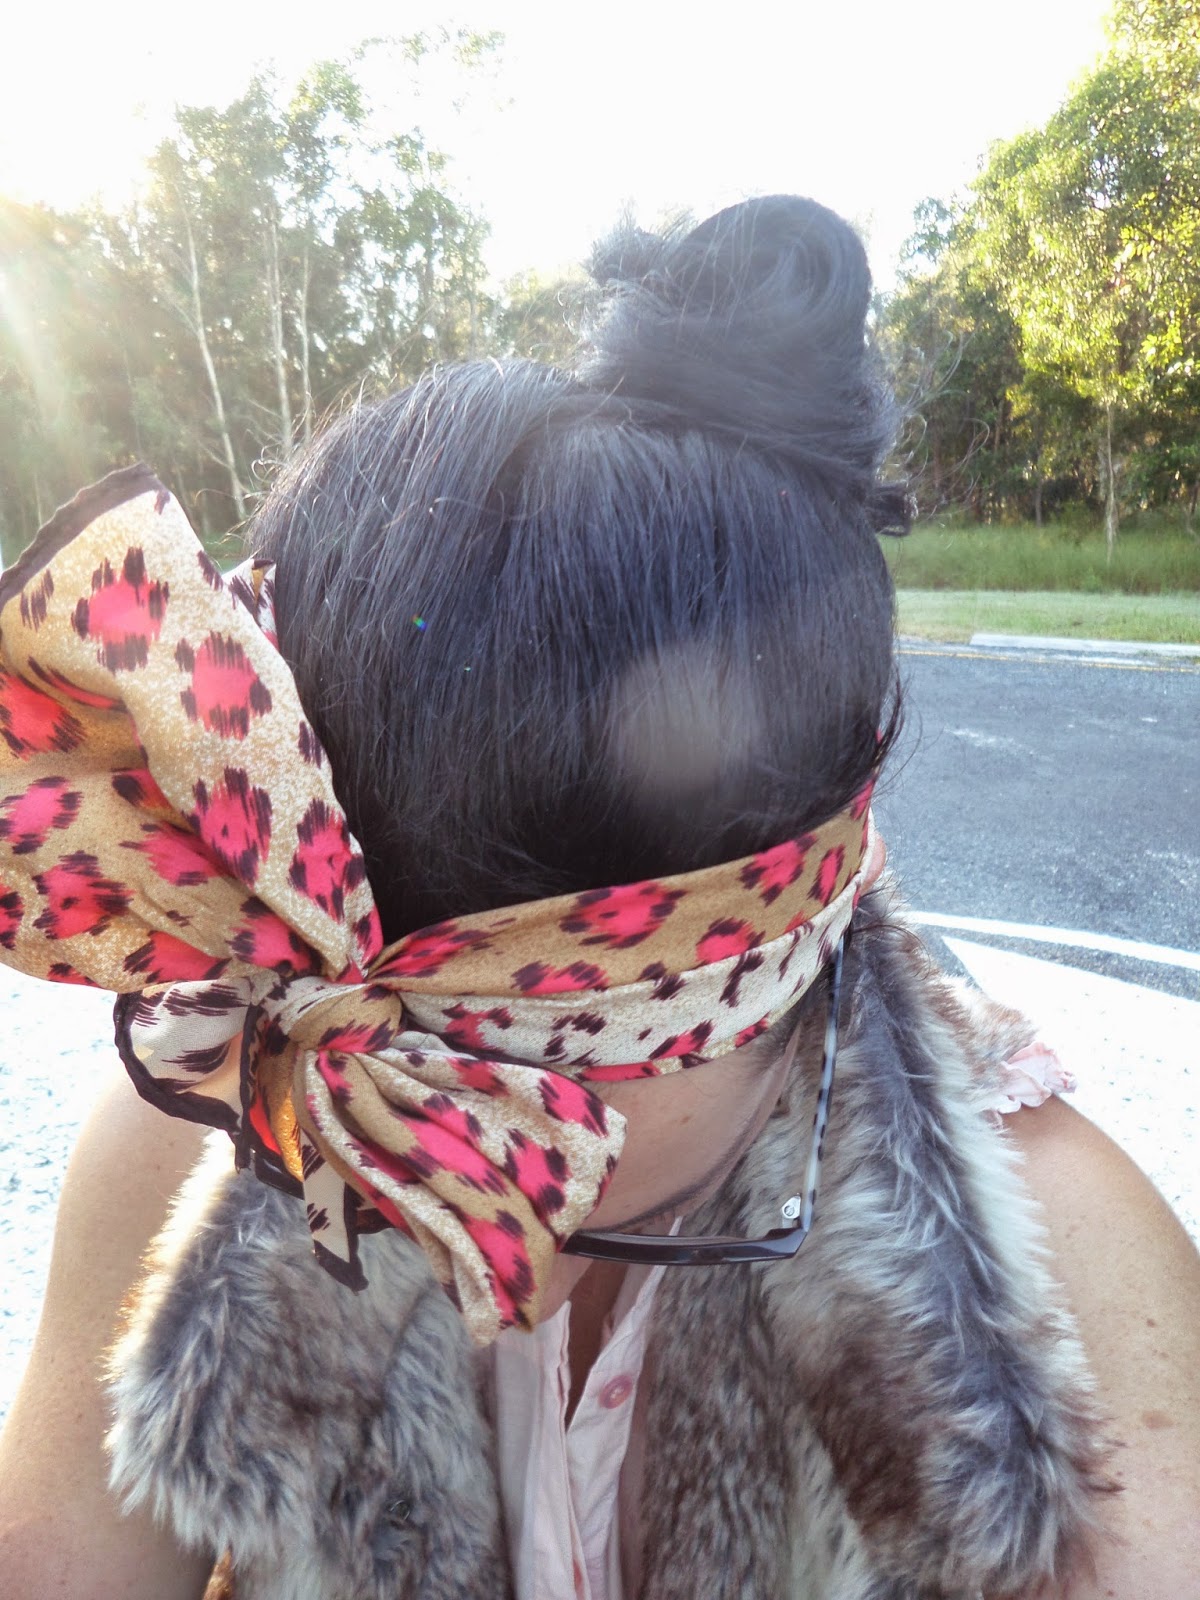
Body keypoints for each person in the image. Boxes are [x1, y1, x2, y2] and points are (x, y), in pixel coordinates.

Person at [0, 196, 1197, 1600]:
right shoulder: (200, 1128)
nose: (440, 1190)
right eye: (380, 1118)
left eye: (531, 1119)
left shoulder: (1069, 1305)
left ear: (782, 984)